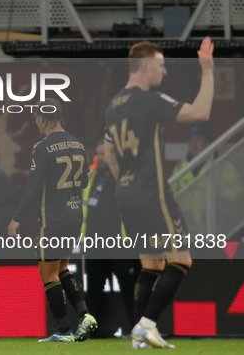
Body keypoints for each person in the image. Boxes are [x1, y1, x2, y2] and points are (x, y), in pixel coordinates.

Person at [104, 38, 214, 349]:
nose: (164, 71)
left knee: (151, 265)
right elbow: (200, 113)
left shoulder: (113, 105)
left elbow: (110, 155)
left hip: (125, 193)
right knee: (181, 260)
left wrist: (126, 182)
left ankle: (139, 338)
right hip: (152, 193)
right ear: (145, 66)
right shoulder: (148, 99)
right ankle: (147, 325)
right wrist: (207, 71)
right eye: (161, 65)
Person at [8, 98, 96, 343]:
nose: (36, 121)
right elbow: (85, 182)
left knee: (48, 275)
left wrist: (17, 218)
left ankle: (64, 331)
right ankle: (85, 315)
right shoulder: (78, 144)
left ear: (44, 118)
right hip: (75, 216)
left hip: (53, 219)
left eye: (37, 116)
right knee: (62, 268)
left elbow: (34, 187)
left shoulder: (43, 147)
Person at [83, 139, 140, 337]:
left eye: (105, 153)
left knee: (130, 290)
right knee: (93, 290)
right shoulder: (90, 178)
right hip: (94, 245)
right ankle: (91, 333)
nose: (100, 157)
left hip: (121, 245)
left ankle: (139, 330)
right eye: (98, 153)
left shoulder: (126, 178)